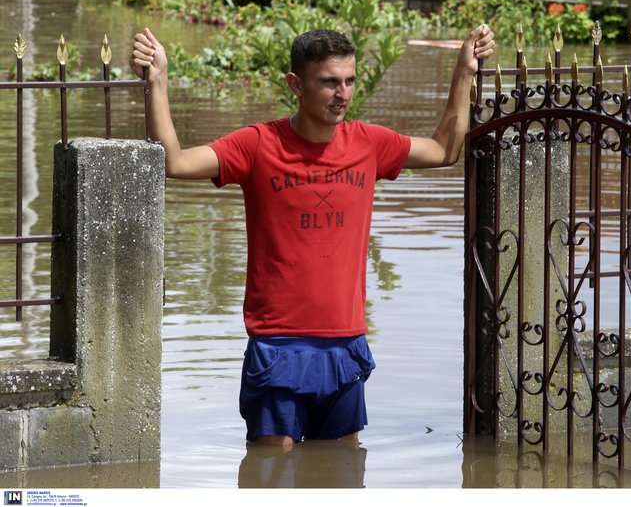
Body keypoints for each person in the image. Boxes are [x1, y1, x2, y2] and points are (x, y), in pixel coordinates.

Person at [130, 23, 495, 451]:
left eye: (349, 81)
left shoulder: (369, 143)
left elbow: (444, 150)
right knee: (271, 467)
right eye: (328, 82)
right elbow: (174, 162)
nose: (342, 93)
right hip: (277, 343)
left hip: (346, 343)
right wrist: (157, 82)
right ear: (296, 85)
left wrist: (464, 71)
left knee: (342, 465)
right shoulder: (257, 144)